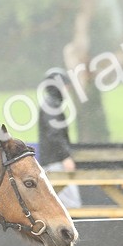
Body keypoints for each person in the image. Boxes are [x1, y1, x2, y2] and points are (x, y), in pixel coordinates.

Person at [37, 67, 81, 209]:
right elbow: (54, 134)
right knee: (70, 206)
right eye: (65, 85)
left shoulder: (51, 104)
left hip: (53, 161)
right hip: (55, 162)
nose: (67, 88)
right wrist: (65, 157)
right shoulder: (51, 106)